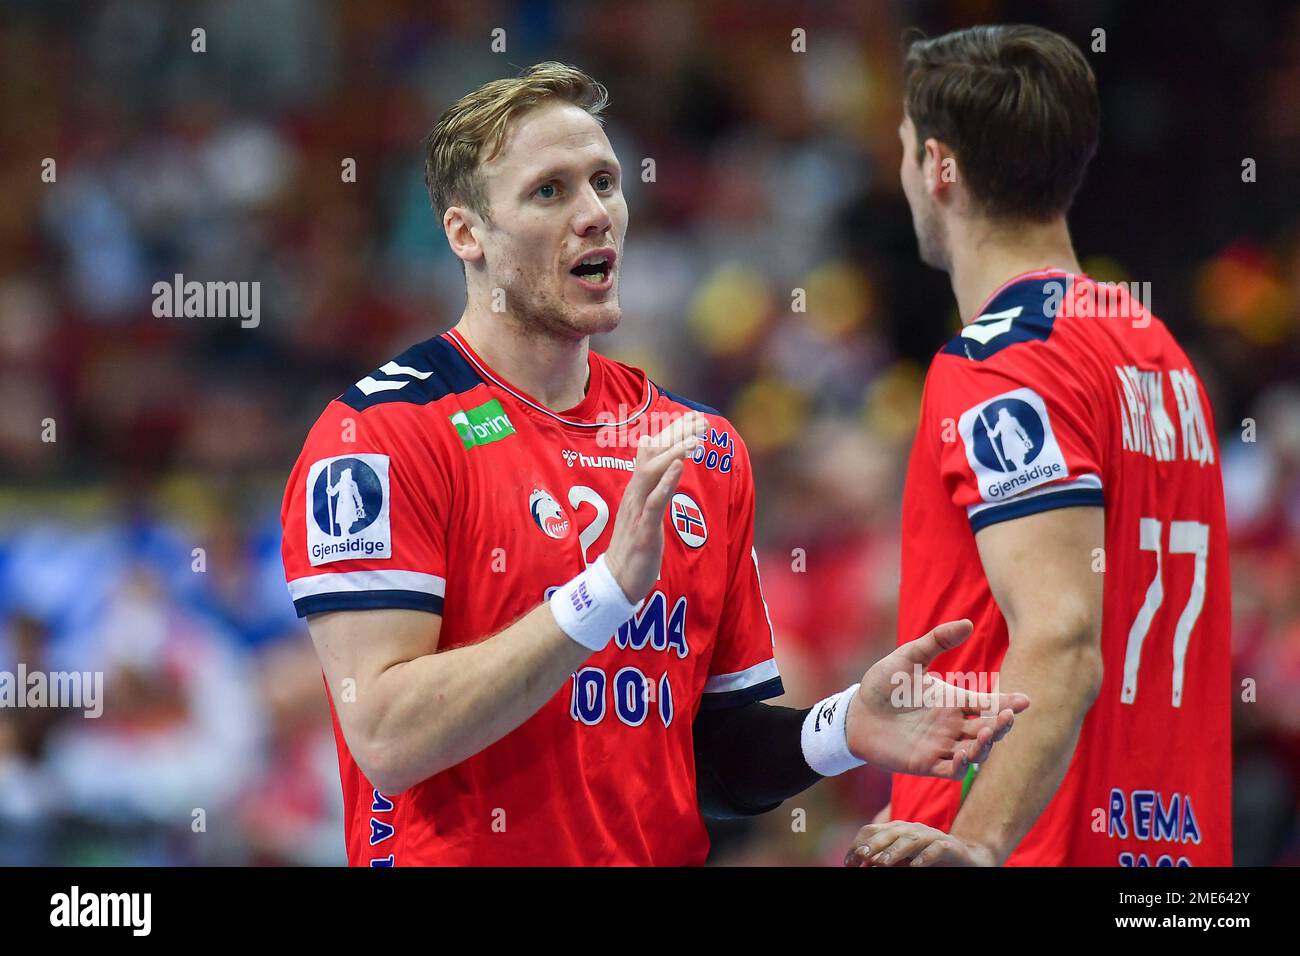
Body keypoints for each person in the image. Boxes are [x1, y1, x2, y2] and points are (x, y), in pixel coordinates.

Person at [280, 62, 1028, 866]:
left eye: (605, 182)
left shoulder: (697, 444)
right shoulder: (383, 436)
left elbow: (708, 755)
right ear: (467, 234)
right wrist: (603, 594)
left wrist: (841, 728)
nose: (595, 214)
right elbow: (389, 739)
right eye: (550, 191)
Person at [847, 25, 1232, 867]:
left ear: (940, 167)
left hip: (1032, 844)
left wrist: (977, 843)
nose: (906, 174)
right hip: (1174, 865)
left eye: (909, 150)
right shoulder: (1163, 356)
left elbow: (1061, 634)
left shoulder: (1000, 364)